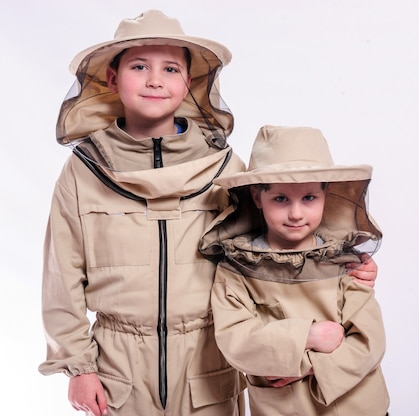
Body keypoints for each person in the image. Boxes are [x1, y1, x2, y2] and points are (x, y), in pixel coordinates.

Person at [38, 10, 378, 416]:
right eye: (139, 66)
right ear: (112, 80)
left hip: (210, 361)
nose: (154, 79)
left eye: (170, 68)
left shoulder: (225, 167)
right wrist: (78, 366)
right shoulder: (82, 171)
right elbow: (61, 274)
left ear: (189, 82)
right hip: (117, 367)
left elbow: (278, 244)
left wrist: (343, 264)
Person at [200, 125, 390, 415]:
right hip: (285, 408)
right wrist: (308, 336)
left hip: (359, 406)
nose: (296, 213)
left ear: (326, 193)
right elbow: (236, 341)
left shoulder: (346, 261)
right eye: (281, 199)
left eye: (309, 198)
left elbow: (369, 341)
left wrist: (306, 366)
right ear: (256, 196)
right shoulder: (236, 268)